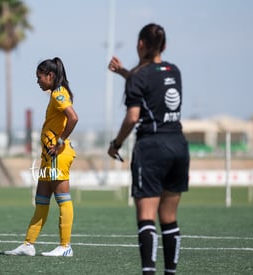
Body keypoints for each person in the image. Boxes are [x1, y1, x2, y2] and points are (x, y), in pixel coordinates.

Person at [107, 23, 189, 275]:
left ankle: (148, 272)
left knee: (146, 216)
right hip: (178, 145)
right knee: (169, 218)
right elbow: (150, 81)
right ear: (163, 46)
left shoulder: (139, 77)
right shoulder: (174, 71)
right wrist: (125, 73)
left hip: (151, 147)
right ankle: (171, 273)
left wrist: (116, 144)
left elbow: (133, 117)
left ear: (140, 44)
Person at [5, 57, 78, 257]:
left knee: (63, 200)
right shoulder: (55, 94)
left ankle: (65, 246)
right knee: (41, 200)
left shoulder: (59, 94)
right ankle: (29, 244)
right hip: (48, 156)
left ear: (50, 76)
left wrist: (61, 140)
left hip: (57, 155)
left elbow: (74, 117)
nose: (37, 81)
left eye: (39, 77)